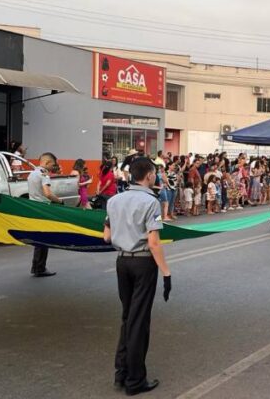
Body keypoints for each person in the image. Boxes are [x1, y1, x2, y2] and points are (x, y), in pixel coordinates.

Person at [103, 157, 171, 395]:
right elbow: (154, 242)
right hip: (143, 263)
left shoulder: (114, 200)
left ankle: (120, 374)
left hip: (122, 262)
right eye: (154, 174)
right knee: (139, 321)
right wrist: (166, 272)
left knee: (127, 317)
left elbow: (106, 237)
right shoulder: (151, 201)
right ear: (149, 175)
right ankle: (135, 380)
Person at [28, 152, 63, 277]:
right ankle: (40, 268)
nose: (53, 167)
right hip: (43, 209)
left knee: (39, 239)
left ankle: (36, 266)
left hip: (33, 208)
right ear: (47, 162)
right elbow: (47, 194)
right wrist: (59, 201)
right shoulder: (44, 174)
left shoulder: (32, 174)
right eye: (53, 164)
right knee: (44, 239)